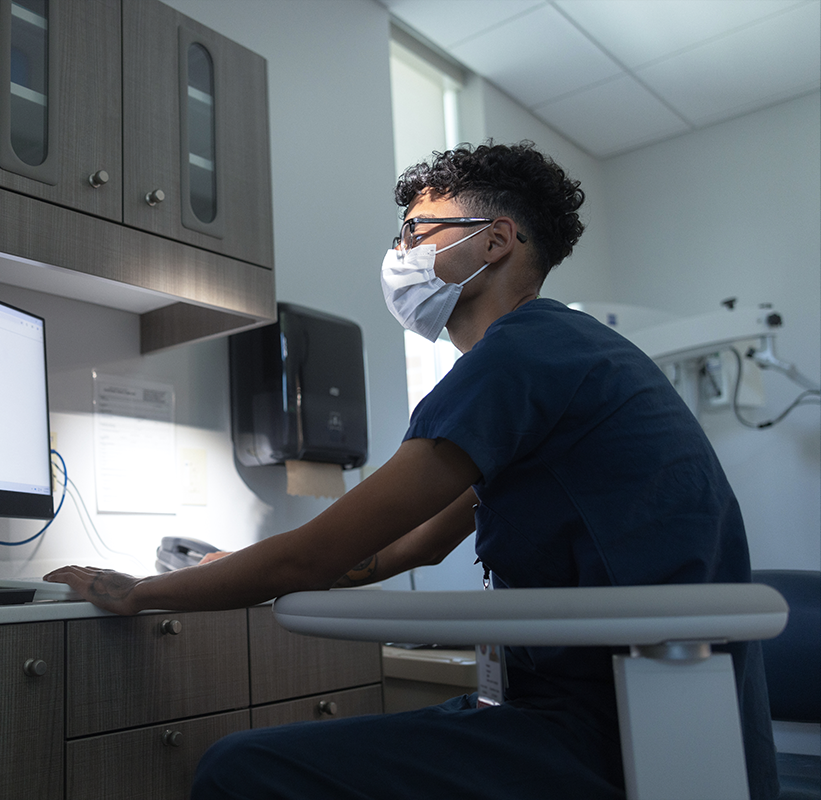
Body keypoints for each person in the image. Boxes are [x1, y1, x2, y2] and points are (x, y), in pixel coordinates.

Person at [45, 141, 777, 799]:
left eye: (418, 233)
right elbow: (411, 546)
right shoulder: (567, 356)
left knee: (240, 770)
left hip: (606, 734)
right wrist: (238, 564)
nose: (401, 252)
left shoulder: (523, 356)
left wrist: (143, 590)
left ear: (494, 242)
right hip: (644, 712)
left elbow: (317, 555)